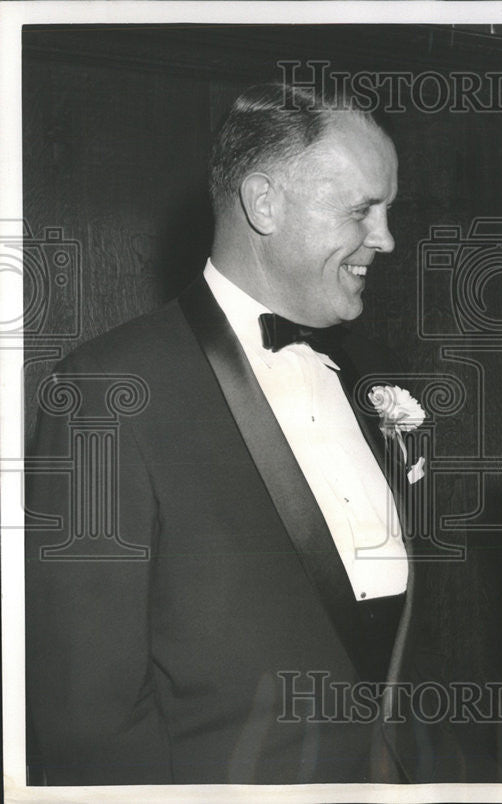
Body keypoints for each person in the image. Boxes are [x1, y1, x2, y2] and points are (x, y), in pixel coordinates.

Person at [25, 83, 420, 784]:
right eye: (363, 210)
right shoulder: (105, 393)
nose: (387, 238)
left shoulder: (369, 378)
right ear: (264, 203)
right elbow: (85, 717)